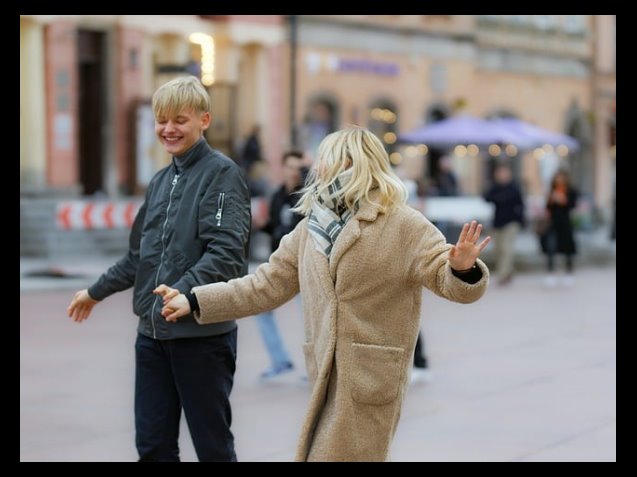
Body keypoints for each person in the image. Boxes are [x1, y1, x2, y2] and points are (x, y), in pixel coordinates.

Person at [155, 126, 491, 462]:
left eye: (324, 159)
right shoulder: (311, 228)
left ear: (350, 163)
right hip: (324, 375)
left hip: (370, 380)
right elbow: (264, 285)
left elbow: (448, 281)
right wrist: (196, 299)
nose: (315, 168)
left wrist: (461, 268)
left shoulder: (404, 224)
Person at [66, 76, 251, 462]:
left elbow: (227, 253)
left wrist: (183, 291)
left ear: (204, 120)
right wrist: (94, 292)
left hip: (201, 339)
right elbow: (139, 257)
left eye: (179, 120)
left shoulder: (221, 174)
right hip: (151, 337)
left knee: (213, 448)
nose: (168, 129)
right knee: (152, 447)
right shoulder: (160, 181)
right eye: (161, 120)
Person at [256, 150, 306, 379]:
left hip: (302, 265)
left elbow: (303, 231)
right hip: (279, 265)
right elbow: (277, 227)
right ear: (283, 168)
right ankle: (279, 360)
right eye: (290, 166)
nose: (294, 171)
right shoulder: (277, 195)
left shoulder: (307, 195)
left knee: (311, 316)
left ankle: (315, 367)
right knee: (262, 310)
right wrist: (261, 226)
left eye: (298, 167)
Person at [484, 164, 525, 285]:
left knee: (507, 249)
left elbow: (521, 204)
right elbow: (487, 198)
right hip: (498, 223)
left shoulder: (514, 188)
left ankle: (502, 274)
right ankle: (508, 271)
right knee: (498, 249)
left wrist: (521, 220)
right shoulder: (495, 187)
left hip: (511, 223)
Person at [541, 169, 578, 287]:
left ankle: (569, 272)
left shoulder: (570, 191)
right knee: (551, 248)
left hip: (565, 224)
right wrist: (551, 199)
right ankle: (550, 273)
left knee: (568, 249)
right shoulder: (552, 191)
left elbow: (572, 205)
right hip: (553, 224)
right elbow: (547, 207)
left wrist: (562, 200)